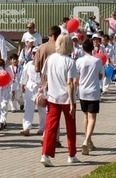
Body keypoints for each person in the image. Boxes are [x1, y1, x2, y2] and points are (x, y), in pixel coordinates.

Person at [39, 33, 79, 167]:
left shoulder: (50, 58)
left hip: (52, 97)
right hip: (67, 99)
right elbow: (70, 83)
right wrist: (72, 102)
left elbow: (44, 76)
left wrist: (43, 88)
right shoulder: (70, 61)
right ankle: (71, 154)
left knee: (50, 127)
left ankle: (45, 154)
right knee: (70, 127)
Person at [76, 37, 103, 155]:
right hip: (93, 92)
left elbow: (76, 76)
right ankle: (87, 140)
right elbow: (101, 76)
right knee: (92, 118)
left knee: (86, 116)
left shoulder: (79, 61)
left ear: (83, 48)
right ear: (93, 48)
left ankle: (89, 140)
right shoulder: (97, 61)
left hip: (82, 91)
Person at [20, 48, 45, 136]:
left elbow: (46, 76)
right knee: (28, 108)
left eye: (37, 53)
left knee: (42, 108)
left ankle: (42, 128)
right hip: (30, 86)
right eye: (34, 53)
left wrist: (44, 86)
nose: (35, 55)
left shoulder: (44, 64)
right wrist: (22, 84)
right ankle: (26, 128)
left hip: (40, 87)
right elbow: (24, 75)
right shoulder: (28, 64)